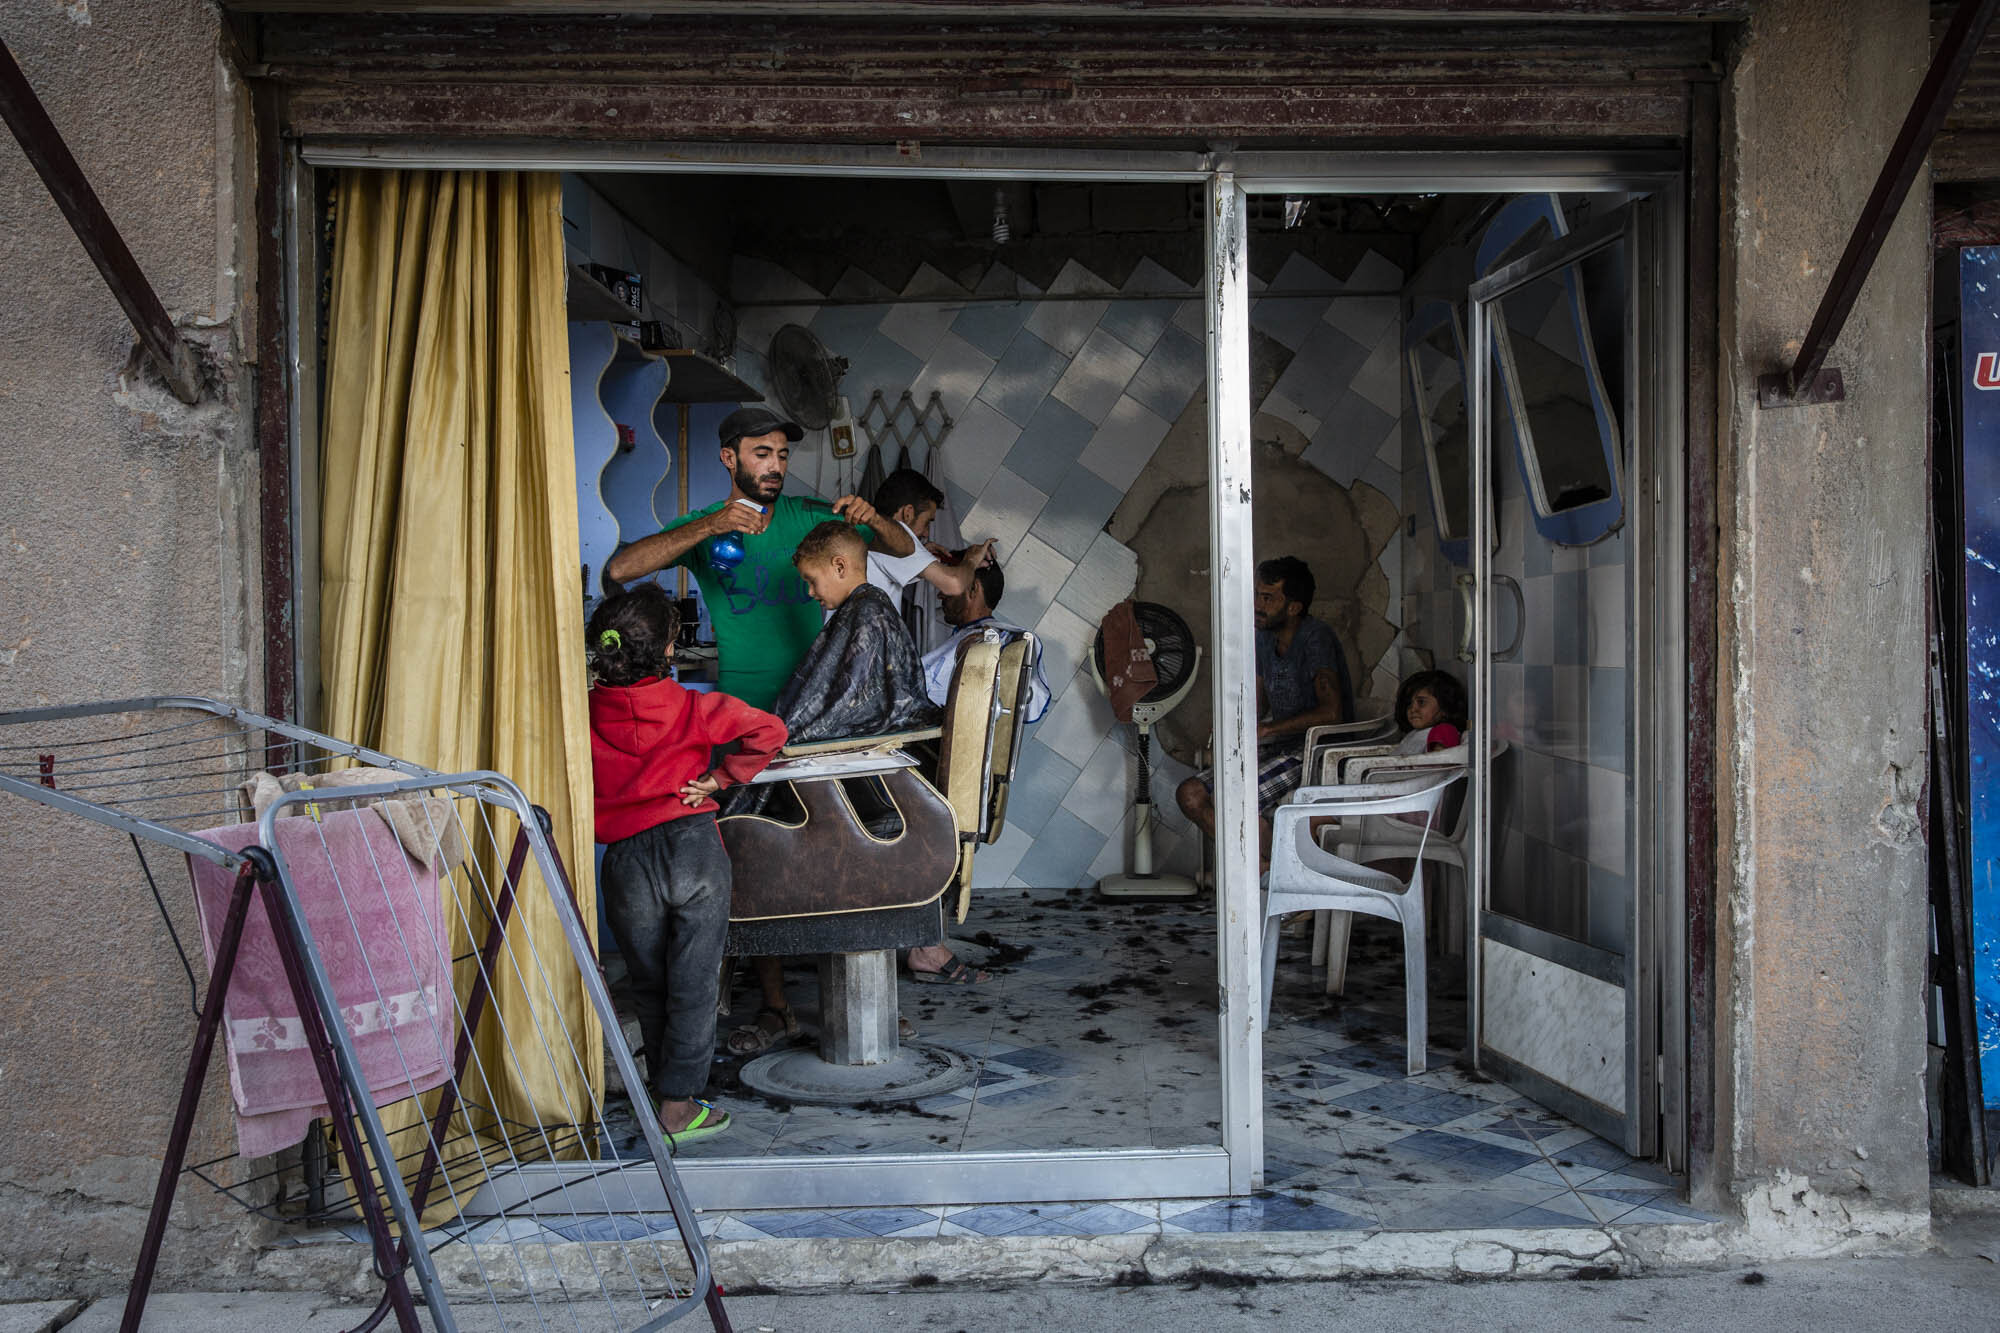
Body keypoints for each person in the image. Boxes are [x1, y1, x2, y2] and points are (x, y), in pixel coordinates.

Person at [722, 521, 945, 1046]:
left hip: (861, 794)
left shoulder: (865, 615)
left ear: (841, 566)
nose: (810, 592)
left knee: (739, 829)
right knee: (746, 809)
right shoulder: (863, 612)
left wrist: (778, 742)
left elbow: (846, 707)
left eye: (812, 580)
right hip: (867, 785)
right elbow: (842, 702)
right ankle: (785, 1006)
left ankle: (777, 1006)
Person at [585, 585, 787, 1146]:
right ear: (670, 651)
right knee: (695, 986)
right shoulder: (694, 707)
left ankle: (662, 1099)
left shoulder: (580, 714)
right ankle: (680, 1105)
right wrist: (720, 779)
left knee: (649, 984)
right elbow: (770, 731)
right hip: (693, 849)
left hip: (625, 863)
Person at [603, 406, 914, 711]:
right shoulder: (703, 524)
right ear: (729, 458)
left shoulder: (809, 515)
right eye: (762, 455)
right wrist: (711, 525)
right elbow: (620, 569)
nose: (775, 467)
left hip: (809, 695)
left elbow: (904, 548)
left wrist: (874, 518)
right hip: (740, 704)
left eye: (782, 455)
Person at [1175, 555, 1353, 864]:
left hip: (1316, 754)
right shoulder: (1263, 638)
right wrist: (1232, 725)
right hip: (1280, 749)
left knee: (1230, 801)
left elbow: (1331, 713)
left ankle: (1268, 880)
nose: (1257, 604)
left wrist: (1267, 729)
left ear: (1294, 607)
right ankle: (1266, 872)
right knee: (1190, 794)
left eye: (1268, 598)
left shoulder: (1315, 638)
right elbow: (1253, 704)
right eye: (1257, 594)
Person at [920, 559, 1051, 725]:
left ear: (973, 588)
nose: (940, 593)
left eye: (951, 581)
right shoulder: (972, 634)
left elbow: (918, 686)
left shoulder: (986, 639)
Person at [863, 468, 996, 611]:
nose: (926, 533)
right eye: (927, 522)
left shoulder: (868, 534)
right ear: (908, 513)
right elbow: (955, 584)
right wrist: (972, 559)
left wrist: (922, 554)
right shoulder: (901, 536)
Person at [1393, 669, 1467, 755]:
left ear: (1445, 707)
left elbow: (1439, 763)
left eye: (1421, 702)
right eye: (1409, 704)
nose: (1413, 709)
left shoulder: (1443, 731)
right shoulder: (1417, 732)